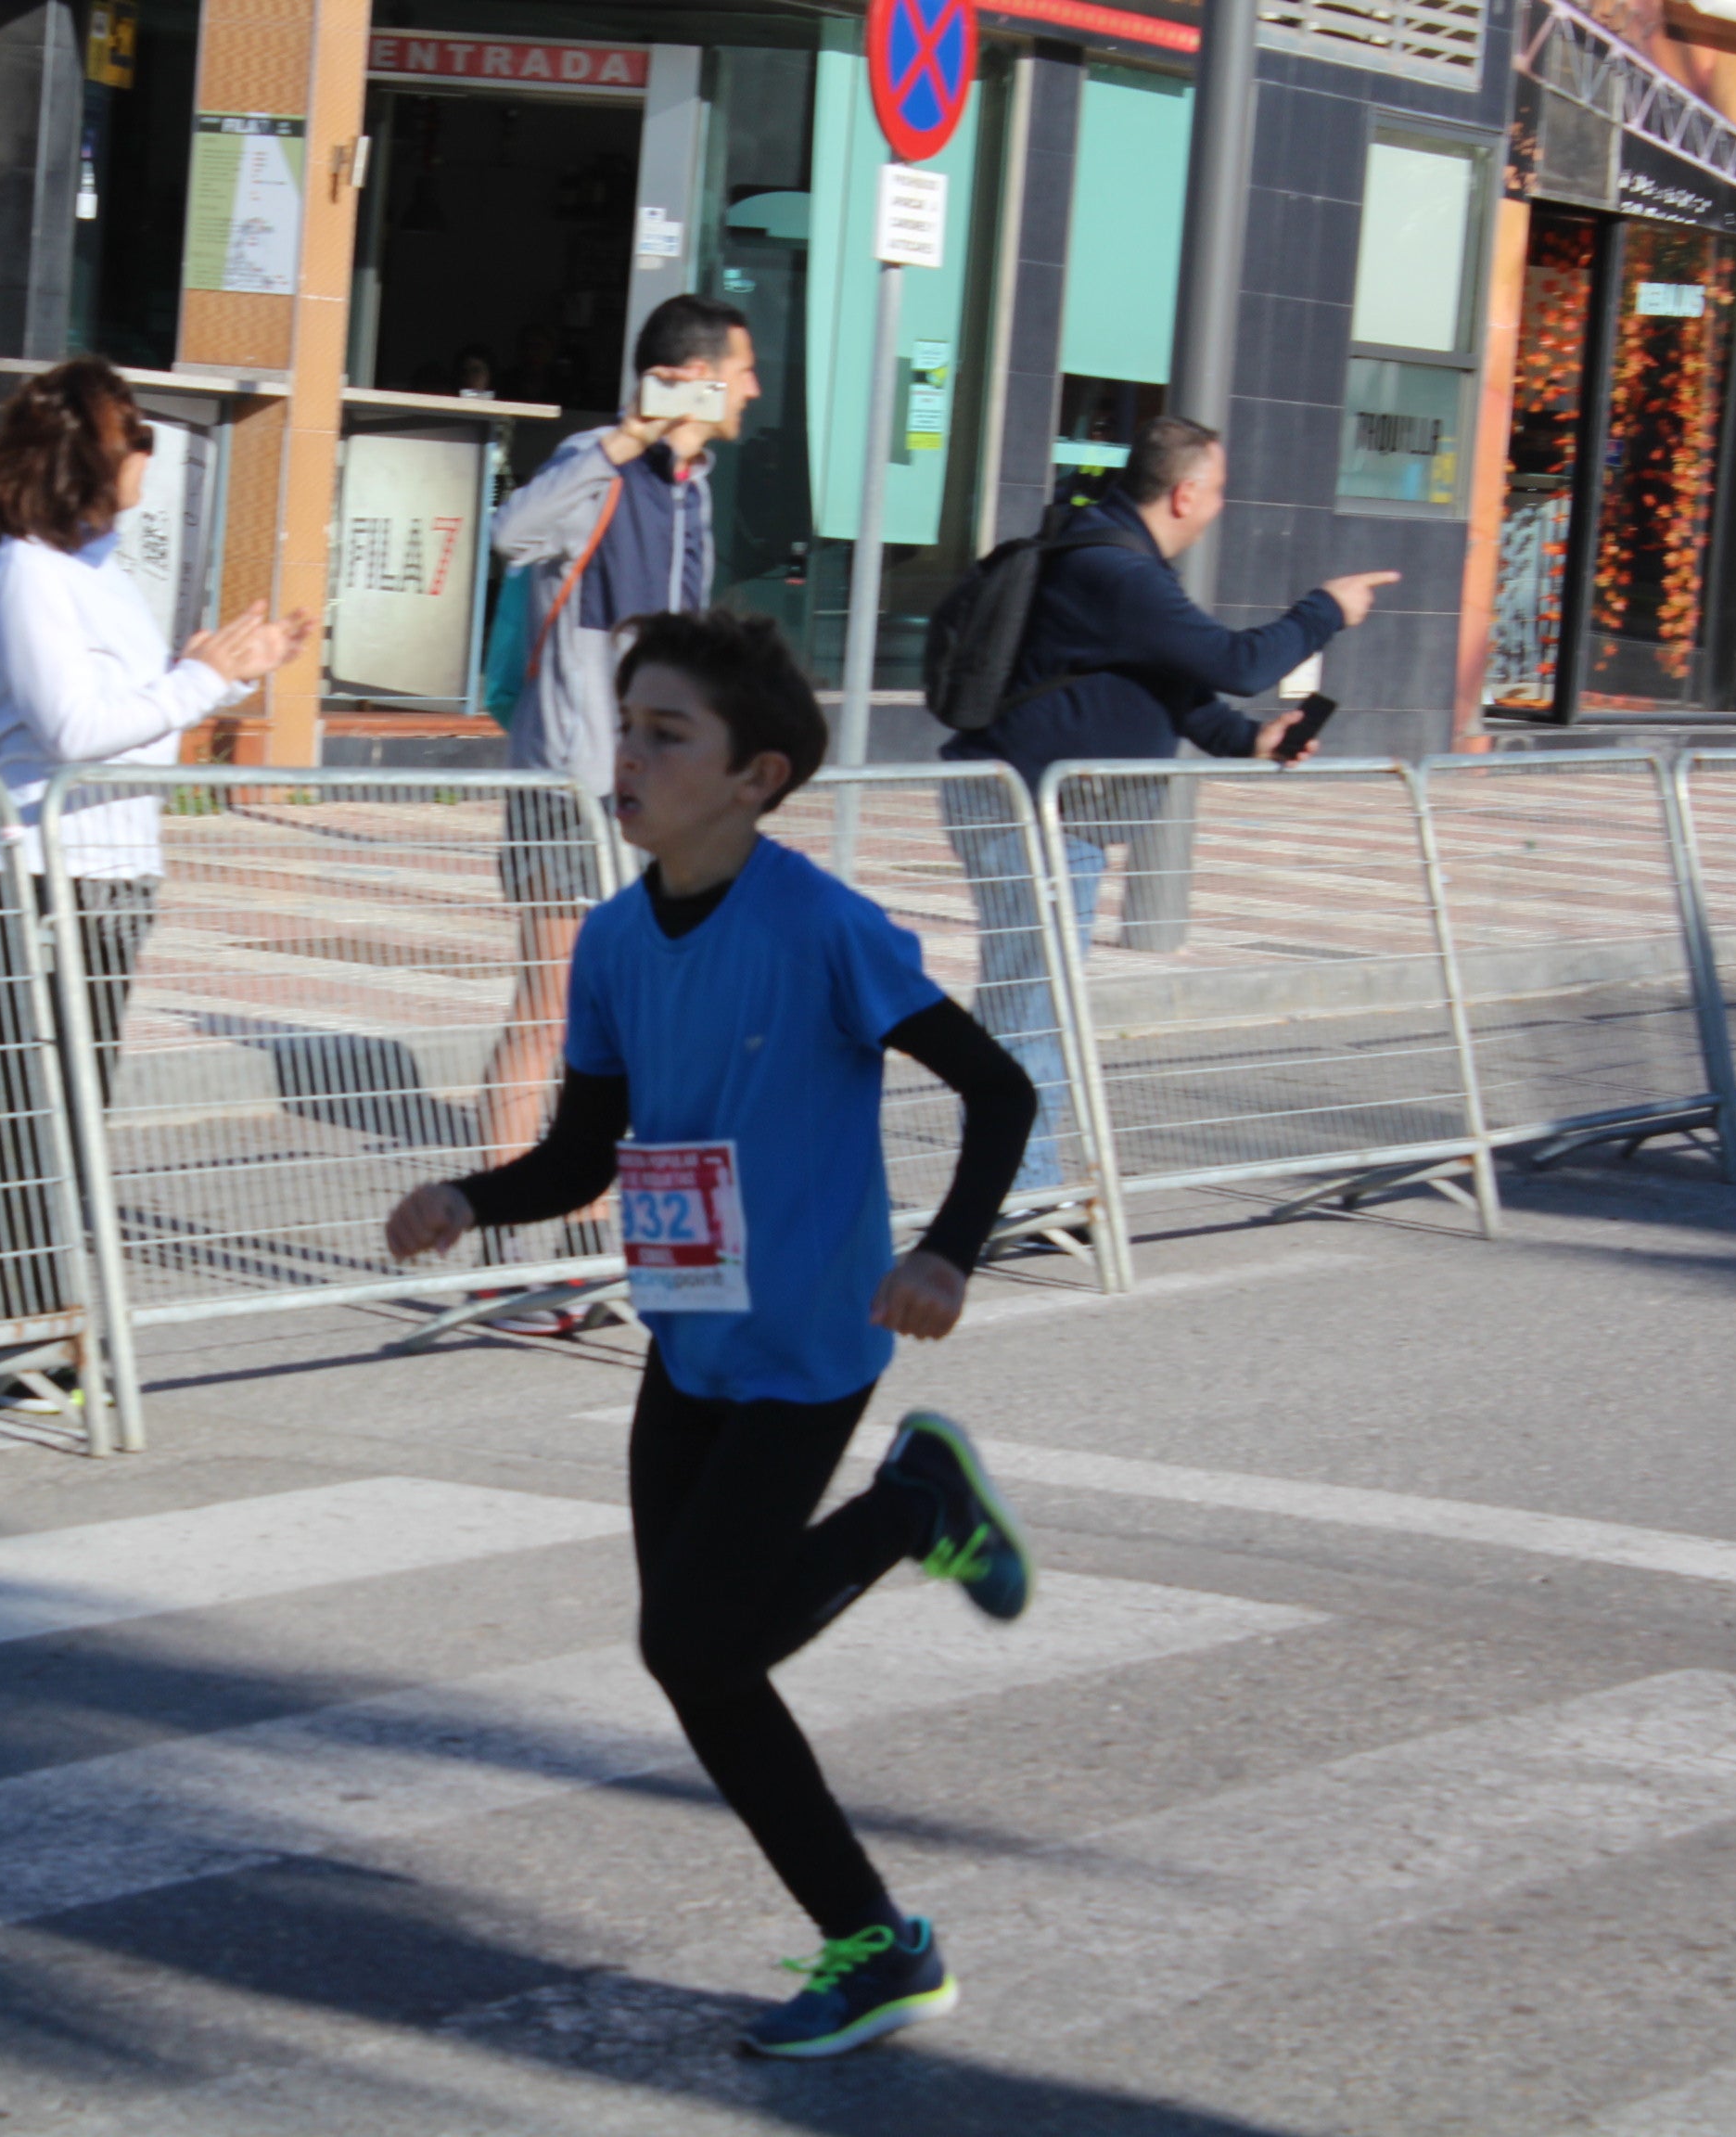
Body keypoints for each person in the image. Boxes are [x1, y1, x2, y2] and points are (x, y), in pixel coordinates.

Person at [386, 608, 1040, 2060]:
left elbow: (1000, 1094)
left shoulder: (820, 928)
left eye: (666, 733)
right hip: (688, 1331)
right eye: (626, 727)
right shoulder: (613, 941)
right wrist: (467, 1198)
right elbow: (584, 1154)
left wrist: (946, 1251)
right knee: (697, 1657)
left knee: (692, 1641)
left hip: (813, 1332)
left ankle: (906, 1531)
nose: (629, 755)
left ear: (757, 776)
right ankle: (878, 1939)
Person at [0, 358, 309, 1412]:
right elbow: (74, 730)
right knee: (23, 1107)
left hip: (107, 876)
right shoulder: (25, 574)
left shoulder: (97, 574)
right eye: (131, 431)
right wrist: (200, 677)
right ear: (85, 456)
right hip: (31, 876)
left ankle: (42, 1324)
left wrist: (227, 668)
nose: (146, 449)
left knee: (71, 1110)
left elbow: (137, 722)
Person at [938, 414, 1397, 1199]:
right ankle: (1019, 1192)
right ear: (1185, 494)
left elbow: (1171, 691)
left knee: (1032, 999)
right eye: (1218, 492)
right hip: (1027, 813)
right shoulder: (1116, 572)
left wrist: (1247, 742)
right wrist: (1323, 610)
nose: (1222, 507)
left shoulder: (1111, 558)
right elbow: (1236, 662)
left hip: (1048, 814)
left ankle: (1021, 1183)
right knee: (1032, 1005)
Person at [477, 291, 758, 1332]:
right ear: (692, 378)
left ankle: (609, 1263)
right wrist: (625, 438)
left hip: (659, 803)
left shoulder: (695, 491)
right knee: (548, 1014)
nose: (755, 388)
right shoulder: (602, 464)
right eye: (742, 369)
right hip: (570, 783)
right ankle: (508, 1263)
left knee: (640, 1033)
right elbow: (513, 533)